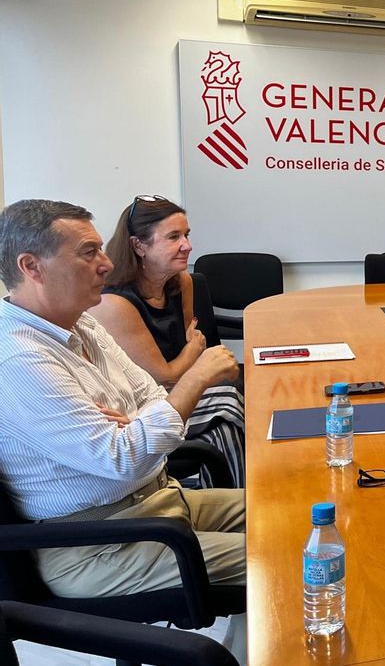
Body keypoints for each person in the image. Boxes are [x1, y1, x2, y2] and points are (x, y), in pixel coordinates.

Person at [0, 198, 245, 599]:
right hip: (98, 544)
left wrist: (139, 426)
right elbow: (124, 457)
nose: (107, 263)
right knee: (285, 552)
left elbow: (151, 394)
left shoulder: (82, 323)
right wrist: (196, 378)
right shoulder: (17, 358)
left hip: (158, 503)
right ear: (32, 266)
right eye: (88, 252)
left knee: (295, 513)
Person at [89, 195, 246, 488]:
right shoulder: (114, 303)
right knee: (226, 401)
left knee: (225, 421)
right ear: (139, 246)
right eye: (174, 237)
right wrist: (192, 353)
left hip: (177, 391)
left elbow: (189, 355)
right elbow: (166, 373)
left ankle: (238, 497)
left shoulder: (181, 281)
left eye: (186, 235)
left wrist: (191, 356)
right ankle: (244, 500)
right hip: (138, 409)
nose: (187, 245)